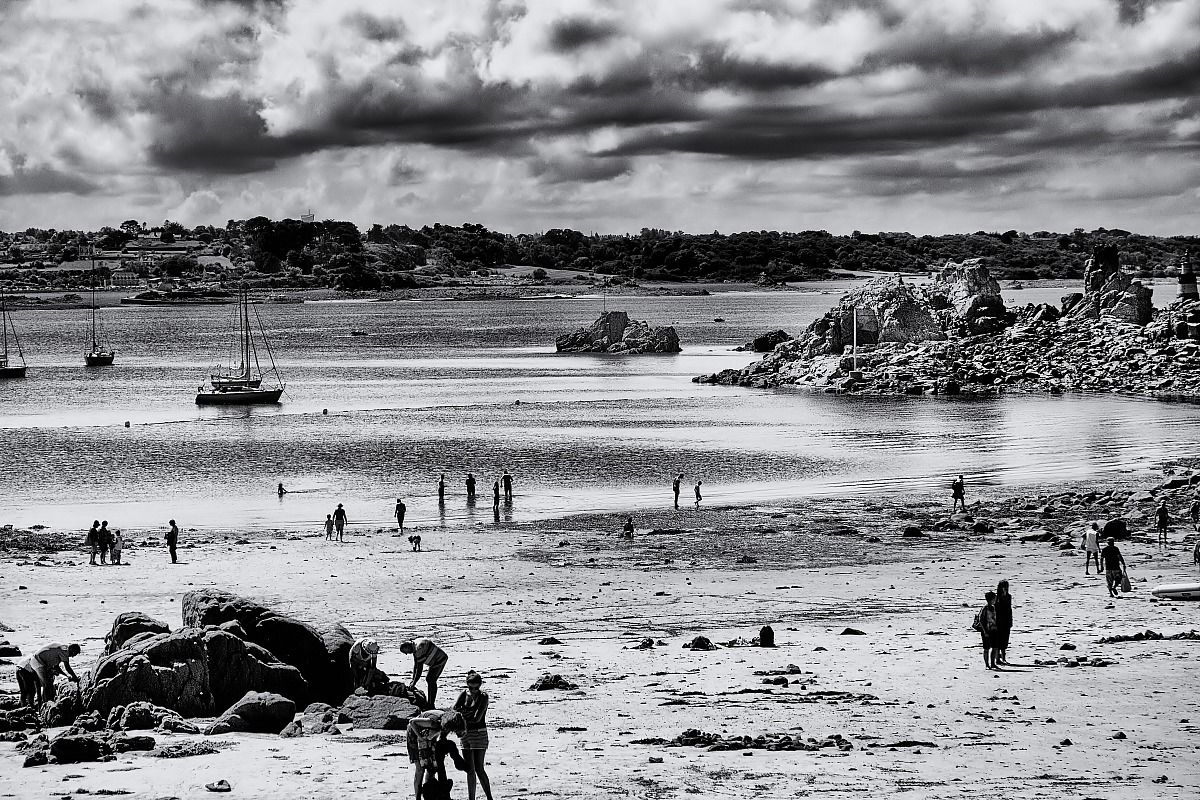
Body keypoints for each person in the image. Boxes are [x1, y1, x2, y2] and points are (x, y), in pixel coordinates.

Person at [407, 709, 465, 800]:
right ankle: (417, 797)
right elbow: (412, 722)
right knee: (420, 769)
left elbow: (441, 735)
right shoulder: (433, 722)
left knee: (431, 767)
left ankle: (428, 795)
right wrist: (420, 737)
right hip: (414, 735)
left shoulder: (447, 721)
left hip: (429, 737)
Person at [454, 671, 495, 800]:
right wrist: (463, 715)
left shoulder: (483, 696)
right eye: (471, 687)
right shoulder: (463, 694)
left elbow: (477, 718)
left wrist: (462, 715)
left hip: (479, 733)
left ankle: (489, 797)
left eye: (476, 688)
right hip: (465, 734)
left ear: (480, 686)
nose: (473, 690)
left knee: (479, 768)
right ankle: (471, 798)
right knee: (469, 769)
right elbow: (454, 709)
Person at [401, 637, 449, 707]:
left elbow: (419, 669)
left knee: (431, 680)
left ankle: (431, 704)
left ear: (407, 647)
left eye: (406, 652)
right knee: (430, 679)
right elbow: (416, 665)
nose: (407, 654)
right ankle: (430, 703)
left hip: (439, 660)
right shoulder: (414, 645)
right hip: (434, 661)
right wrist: (412, 680)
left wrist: (414, 682)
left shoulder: (418, 648)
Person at [974, 591, 998, 670]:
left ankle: (993, 664)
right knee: (986, 648)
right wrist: (984, 632)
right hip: (987, 631)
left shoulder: (994, 607)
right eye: (994, 598)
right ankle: (987, 665)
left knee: (995, 647)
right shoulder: (985, 608)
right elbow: (981, 620)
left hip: (994, 630)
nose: (995, 599)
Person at [994, 580, 1013, 665]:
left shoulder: (1008, 596)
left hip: (1006, 621)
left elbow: (1009, 609)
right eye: (1004, 586)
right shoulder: (996, 597)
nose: (1005, 588)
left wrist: (1010, 621)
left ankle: (1004, 658)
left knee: (1005, 640)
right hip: (998, 621)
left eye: (1006, 586)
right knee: (998, 640)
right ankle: (997, 658)